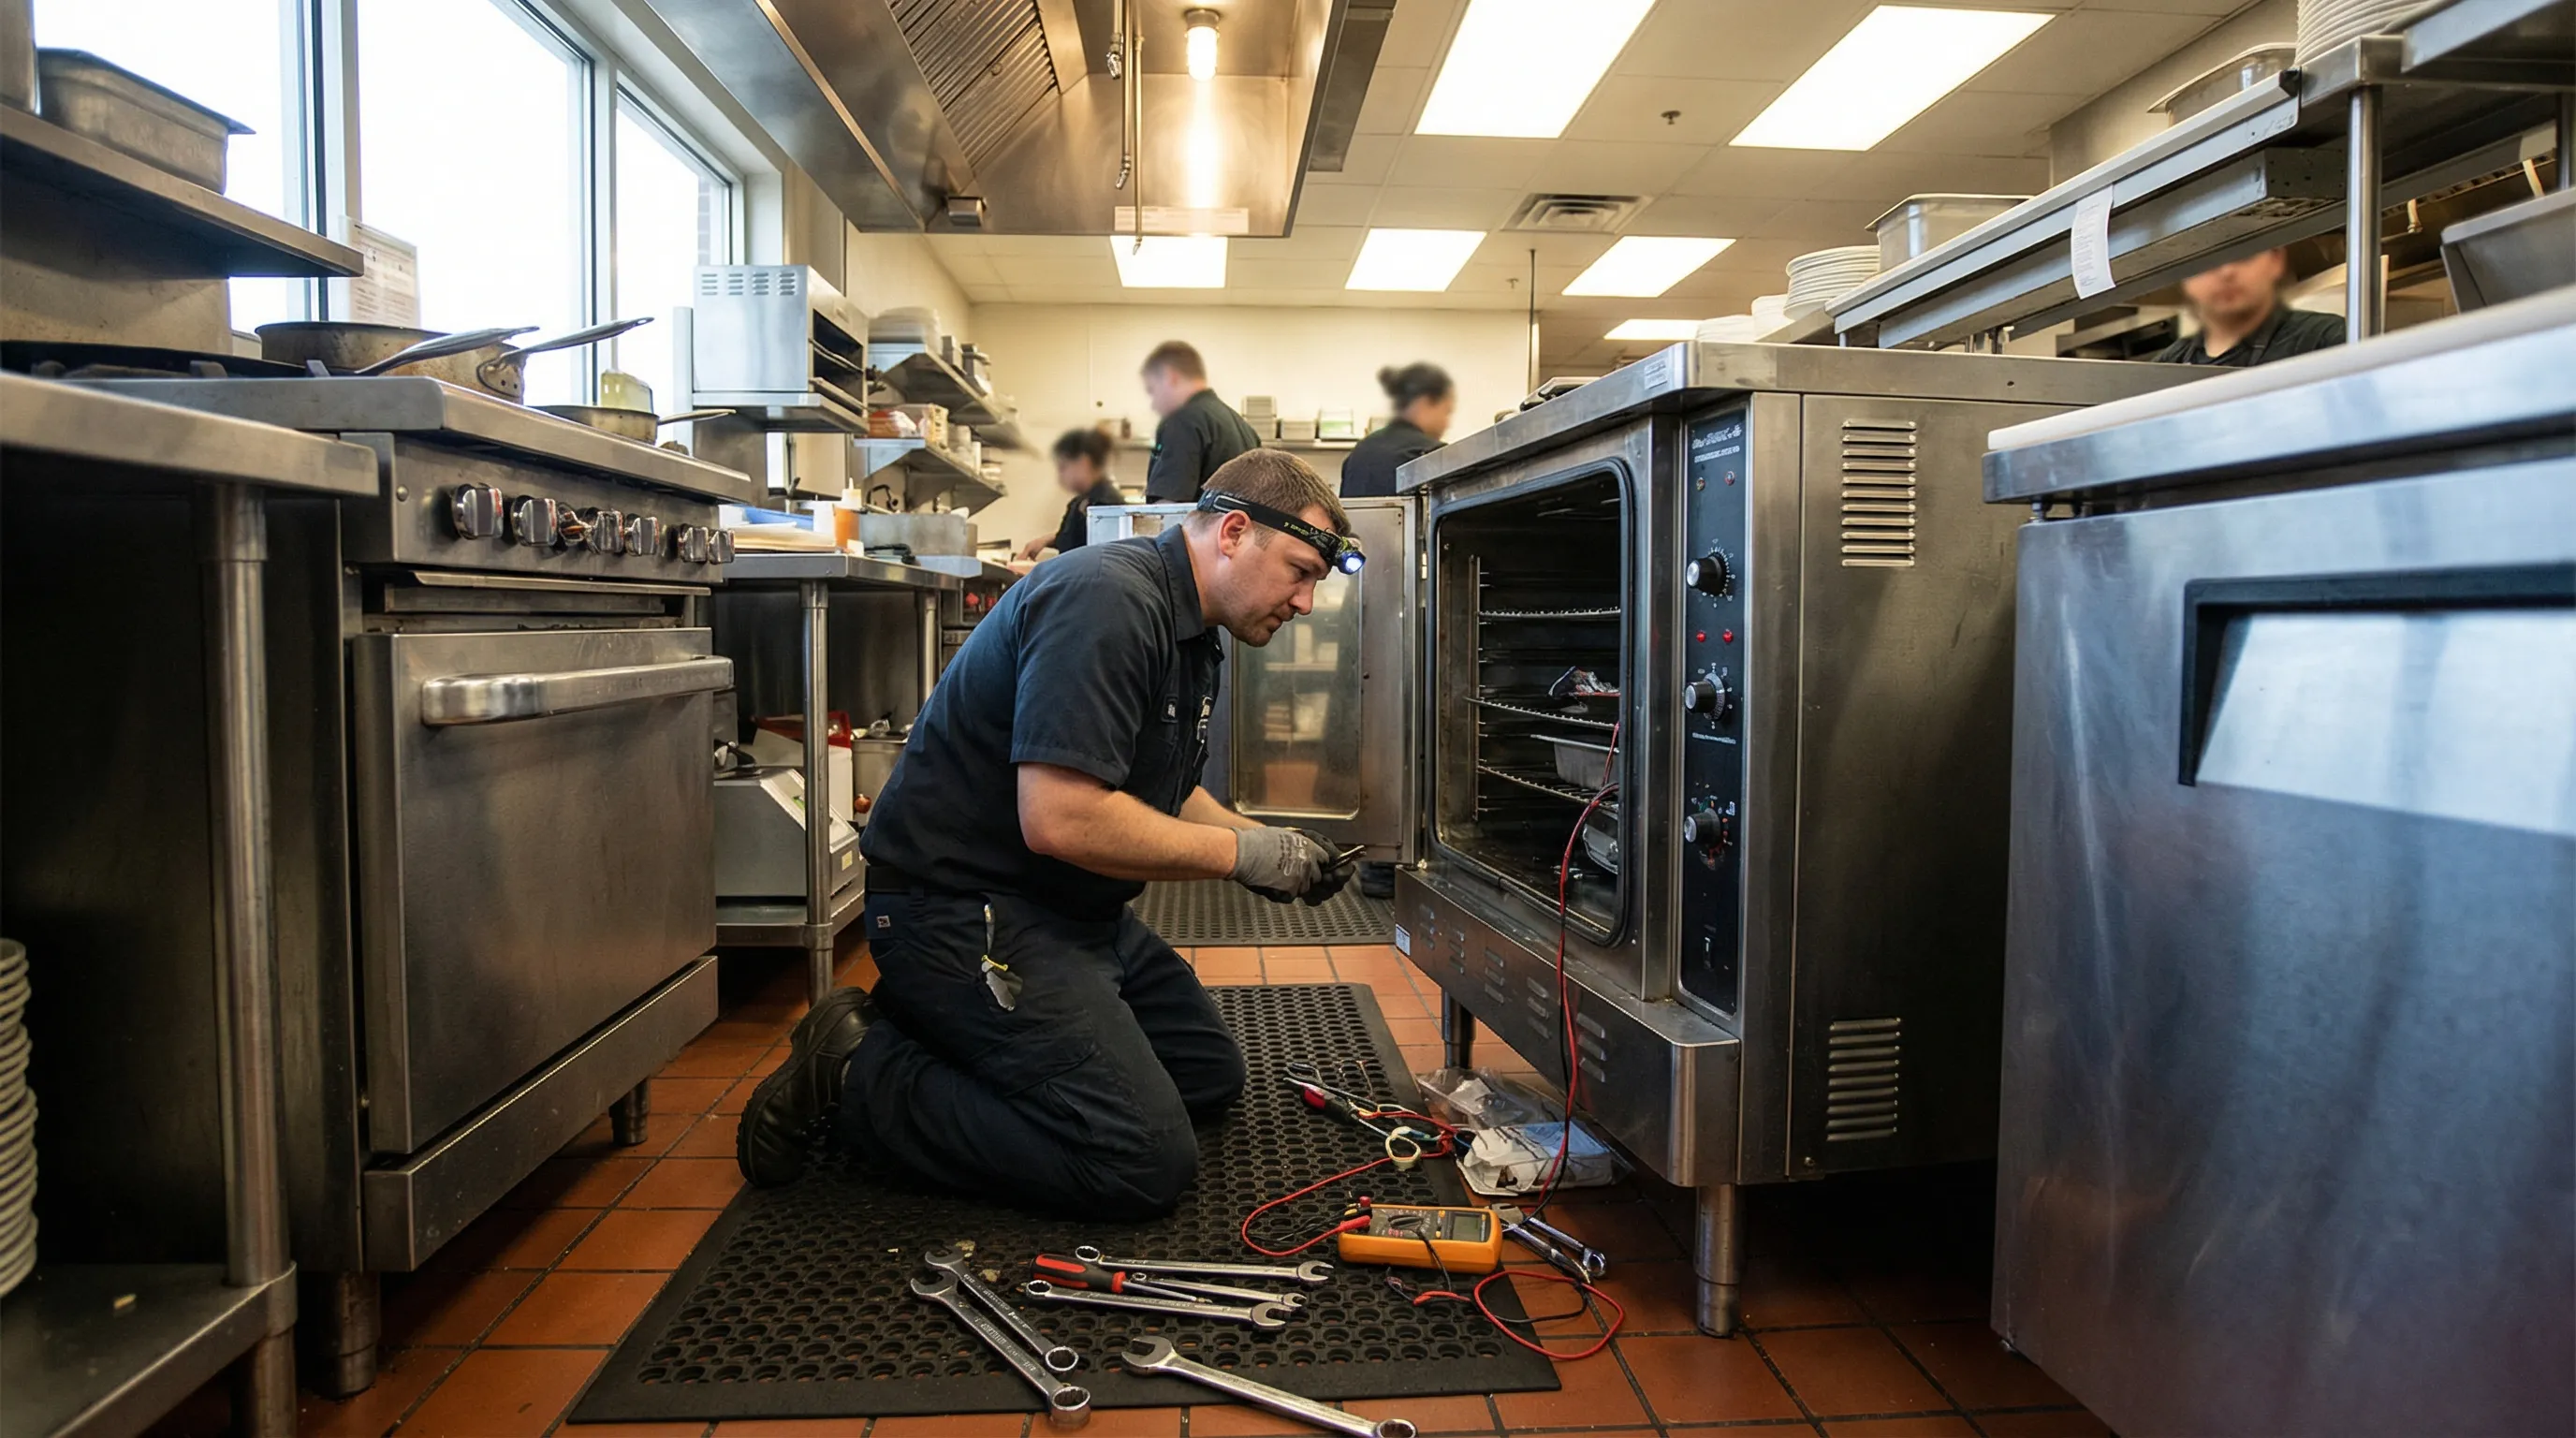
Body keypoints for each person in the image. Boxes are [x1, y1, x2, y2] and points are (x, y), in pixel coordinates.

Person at [736, 449, 1365, 1218]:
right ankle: (856, 1069)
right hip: (961, 910)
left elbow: (1160, 785)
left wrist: (1273, 847)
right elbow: (1063, 818)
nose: (1304, 602)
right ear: (1233, 532)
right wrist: (1244, 856)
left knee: (1205, 1074)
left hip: (1068, 914)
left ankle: (946, 1027)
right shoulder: (1106, 601)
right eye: (1299, 571)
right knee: (1140, 1158)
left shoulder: (1193, 630)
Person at [2152, 248, 2345, 368]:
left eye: (2243, 255)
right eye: (2207, 261)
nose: (2227, 272)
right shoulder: (2166, 366)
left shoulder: (2326, 338)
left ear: (2275, 259)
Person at [1140, 340, 1261, 503]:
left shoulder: (1182, 422)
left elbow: (1167, 510)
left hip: (1202, 528)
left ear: (1171, 377)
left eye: (1152, 390)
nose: (1153, 404)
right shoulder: (1241, 425)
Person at [1339, 362, 1456, 498]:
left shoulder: (1359, 452)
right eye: (1447, 412)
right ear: (1425, 402)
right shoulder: (1430, 454)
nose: (1447, 424)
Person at [1018, 428, 1128, 563]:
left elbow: (1097, 563)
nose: (1060, 477)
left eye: (1063, 467)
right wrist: (1045, 540)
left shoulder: (1106, 504)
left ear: (1083, 463)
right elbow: (1076, 537)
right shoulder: (1081, 501)